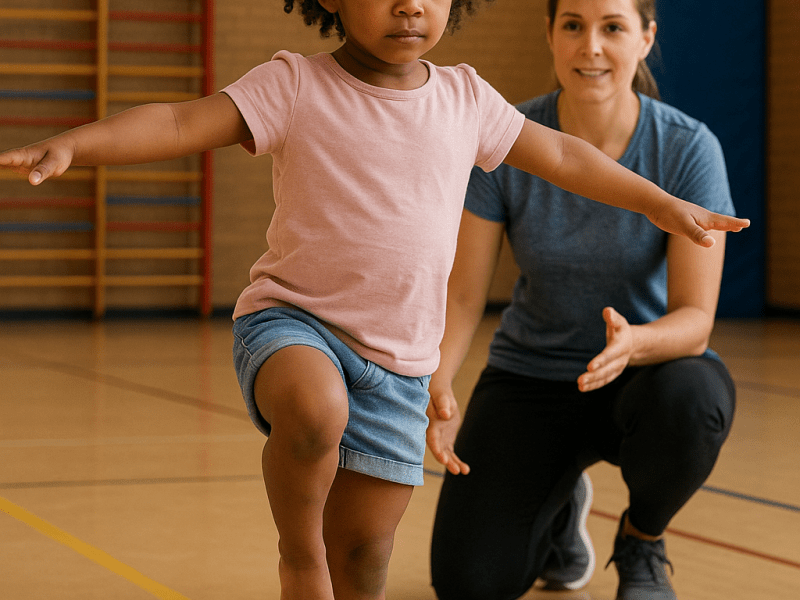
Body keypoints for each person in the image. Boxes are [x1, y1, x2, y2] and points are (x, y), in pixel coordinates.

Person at [0, 1, 747, 598]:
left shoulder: (464, 99)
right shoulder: (293, 83)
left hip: (398, 368)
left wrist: (657, 203)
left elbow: (560, 155)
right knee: (316, 416)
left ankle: (329, 563)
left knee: (364, 555)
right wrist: (75, 143)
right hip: (293, 324)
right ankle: (298, 563)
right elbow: (178, 119)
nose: (408, 7)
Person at [426, 1, 739, 599]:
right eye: (572, 25)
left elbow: (695, 322)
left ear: (646, 38)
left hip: (645, 377)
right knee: (468, 585)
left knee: (693, 400)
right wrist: (439, 381)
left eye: (612, 28)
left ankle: (642, 542)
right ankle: (559, 523)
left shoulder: (687, 149)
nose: (590, 46)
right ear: (550, 34)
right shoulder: (506, 140)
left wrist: (634, 343)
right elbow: (465, 294)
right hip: (531, 378)